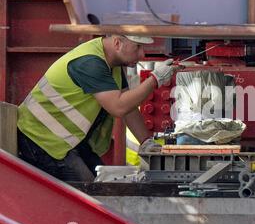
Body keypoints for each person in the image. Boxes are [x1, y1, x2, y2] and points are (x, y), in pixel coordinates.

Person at [17, 35, 180, 181]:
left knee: (99, 185)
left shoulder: (111, 63)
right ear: (117, 43)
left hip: (64, 141)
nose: (142, 54)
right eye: (137, 46)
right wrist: (154, 80)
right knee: (88, 195)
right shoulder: (91, 63)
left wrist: (146, 142)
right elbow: (118, 107)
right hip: (41, 140)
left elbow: (128, 108)